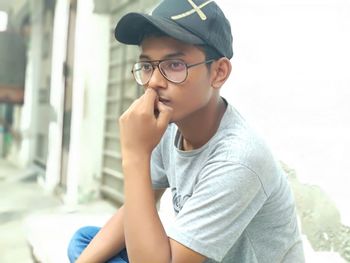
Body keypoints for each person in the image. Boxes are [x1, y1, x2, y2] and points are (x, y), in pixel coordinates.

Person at [67, 0, 305, 262]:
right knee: (85, 240)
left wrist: (134, 156)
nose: (154, 82)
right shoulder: (170, 128)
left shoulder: (239, 159)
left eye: (175, 65)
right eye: (147, 66)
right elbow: (134, 209)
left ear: (218, 72)